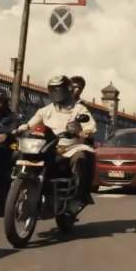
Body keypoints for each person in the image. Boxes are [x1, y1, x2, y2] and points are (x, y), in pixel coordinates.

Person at [25, 76, 97, 210]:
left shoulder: (79, 109)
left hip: (71, 146)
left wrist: (85, 131)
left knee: (80, 158)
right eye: (53, 90)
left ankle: (77, 197)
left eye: (59, 89)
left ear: (67, 90)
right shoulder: (45, 110)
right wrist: (21, 128)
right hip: (48, 146)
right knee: (19, 153)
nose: (56, 93)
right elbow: (30, 124)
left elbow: (89, 125)